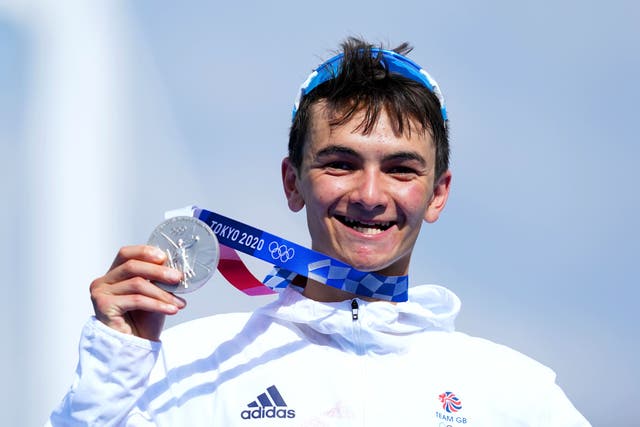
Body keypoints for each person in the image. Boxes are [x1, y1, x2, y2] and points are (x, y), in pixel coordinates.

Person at [48, 38, 590, 426]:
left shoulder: (515, 392)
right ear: (292, 182)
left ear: (438, 193)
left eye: (401, 169)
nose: (371, 195)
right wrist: (116, 365)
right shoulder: (182, 366)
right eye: (340, 163)